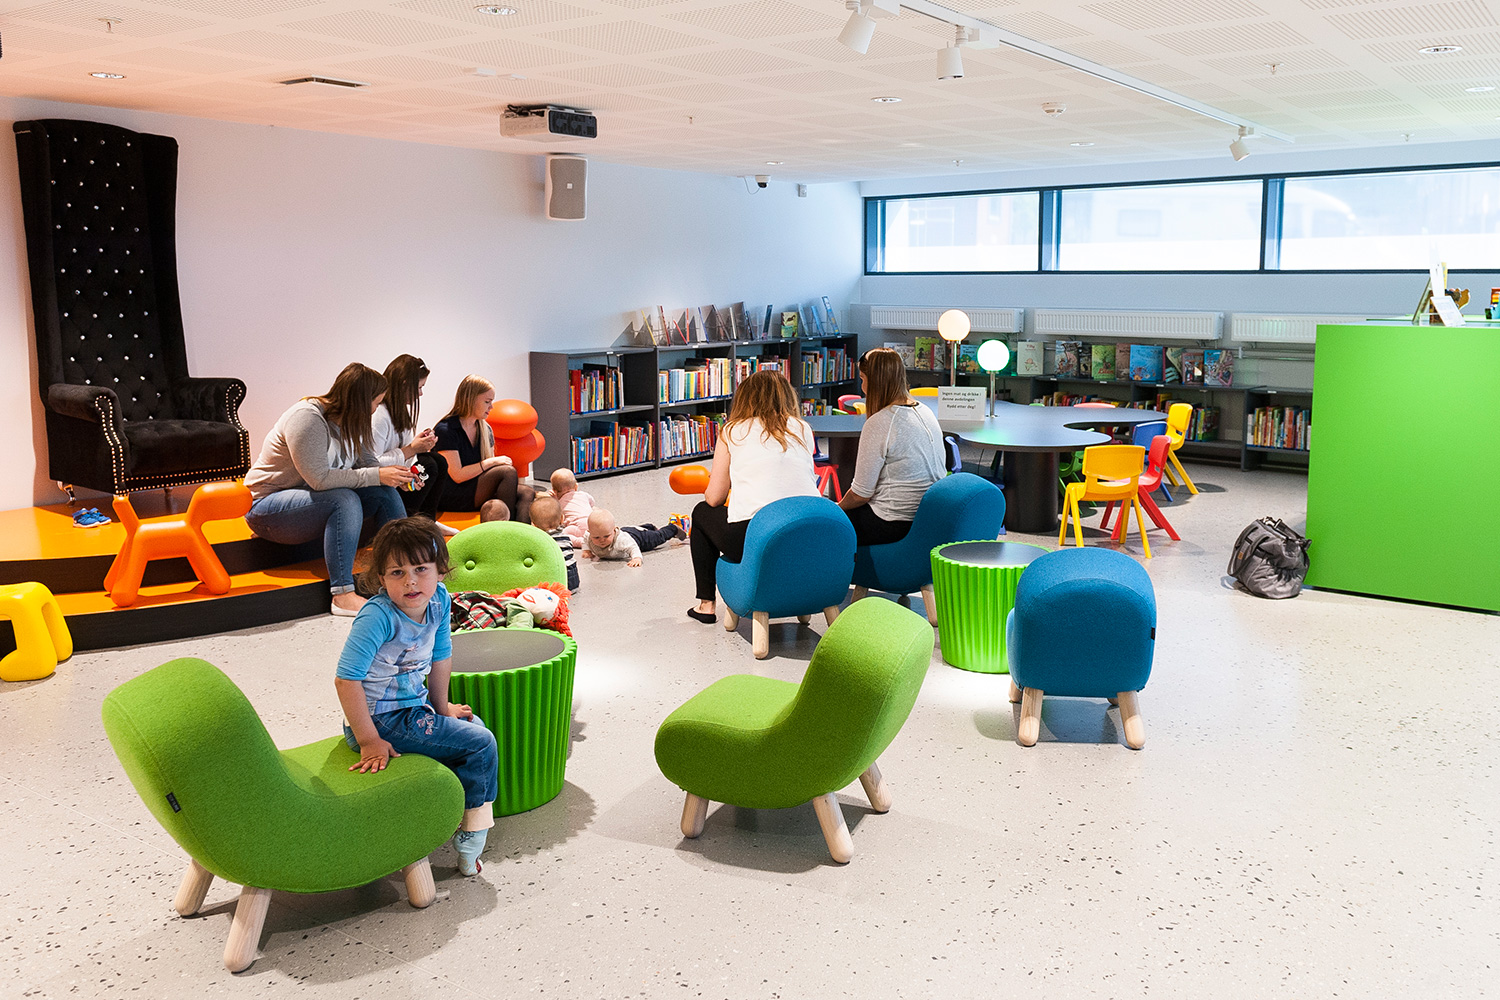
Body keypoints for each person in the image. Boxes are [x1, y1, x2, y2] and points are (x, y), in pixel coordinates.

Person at [333, 517, 498, 877]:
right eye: (396, 572)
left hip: (413, 711)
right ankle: (472, 836)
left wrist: (443, 708)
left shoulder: (439, 599)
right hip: (381, 720)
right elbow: (346, 680)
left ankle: (456, 813)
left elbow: (441, 656)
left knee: (475, 727)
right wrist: (368, 740)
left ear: (440, 571)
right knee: (481, 743)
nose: (410, 581)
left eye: (420, 569)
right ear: (380, 579)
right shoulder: (376, 617)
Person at [246, 363, 413, 617]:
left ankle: (406, 573)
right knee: (343, 499)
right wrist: (377, 475)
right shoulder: (307, 417)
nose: (375, 410)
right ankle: (342, 595)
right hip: (267, 507)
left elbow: (368, 465)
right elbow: (319, 480)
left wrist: (397, 478)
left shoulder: (354, 421)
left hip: (311, 504)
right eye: (375, 403)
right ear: (360, 401)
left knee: (384, 493)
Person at [687, 370, 819, 624]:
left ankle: (706, 605)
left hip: (757, 536)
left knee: (702, 512)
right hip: (807, 533)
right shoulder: (802, 428)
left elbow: (714, 498)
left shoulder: (732, 430)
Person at [837, 348, 945, 546]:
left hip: (892, 521)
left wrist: (836, 507)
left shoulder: (881, 422)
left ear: (876, 381)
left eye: (863, 379)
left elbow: (861, 494)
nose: (862, 388)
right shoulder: (926, 411)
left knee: (827, 526)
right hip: (926, 516)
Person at [372, 354, 457, 536]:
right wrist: (413, 449)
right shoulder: (379, 415)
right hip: (379, 477)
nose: (420, 394)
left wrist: (420, 444)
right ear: (404, 384)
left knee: (437, 461)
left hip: (396, 469)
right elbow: (373, 462)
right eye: (419, 387)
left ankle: (427, 521)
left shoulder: (400, 410)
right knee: (430, 464)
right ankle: (412, 523)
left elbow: (403, 450)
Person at [433, 375, 535, 525]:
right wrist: (490, 462)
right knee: (507, 472)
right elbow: (457, 475)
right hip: (453, 493)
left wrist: (491, 463)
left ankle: (521, 538)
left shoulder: (484, 428)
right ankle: (507, 531)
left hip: (476, 487)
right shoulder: (446, 430)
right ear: (470, 400)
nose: (491, 407)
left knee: (527, 492)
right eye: (487, 402)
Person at [581, 509, 684, 567]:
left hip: (638, 539)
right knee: (637, 529)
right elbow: (585, 540)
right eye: (597, 537)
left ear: (614, 530)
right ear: (590, 533)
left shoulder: (621, 540)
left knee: (657, 537)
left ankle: (672, 528)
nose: (602, 540)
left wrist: (636, 558)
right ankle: (648, 527)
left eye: (606, 536)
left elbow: (633, 547)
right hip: (629, 530)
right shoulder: (588, 536)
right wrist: (586, 550)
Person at [529, 494, 579, 592]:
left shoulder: (540, 541)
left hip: (555, 578)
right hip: (573, 577)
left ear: (533, 525)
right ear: (562, 519)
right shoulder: (565, 537)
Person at [548, 468, 594, 549]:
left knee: (562, 534)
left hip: (577, 526)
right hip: (592, 523)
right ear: (576, 486)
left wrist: (554, 500)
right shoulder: (583, 494)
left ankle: (581, 542)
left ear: (554, 491)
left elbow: (558, 519)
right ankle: (591, 538)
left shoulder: (559, 504)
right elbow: (592, 503)